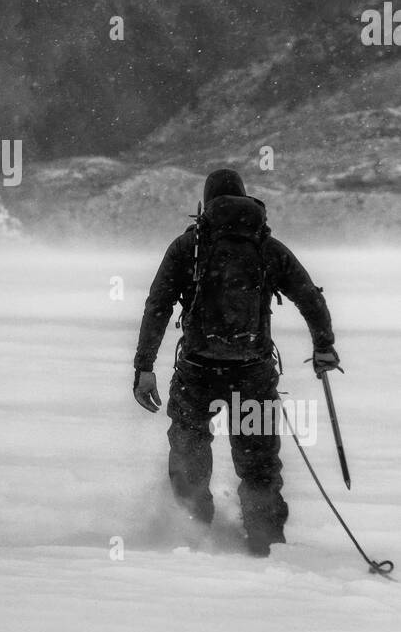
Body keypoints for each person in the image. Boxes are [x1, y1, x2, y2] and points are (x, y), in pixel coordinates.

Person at [132, 167, 340, 556]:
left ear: (206, 204)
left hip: (197, 373)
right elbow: (309, 295)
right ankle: (265, 546)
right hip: (253, 375)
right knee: (258, 464)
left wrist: (144, 367)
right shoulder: (265, 246)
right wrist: (324, 347)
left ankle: (190, 537)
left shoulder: (188, 246)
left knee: (189, 454)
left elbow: (157, 306)